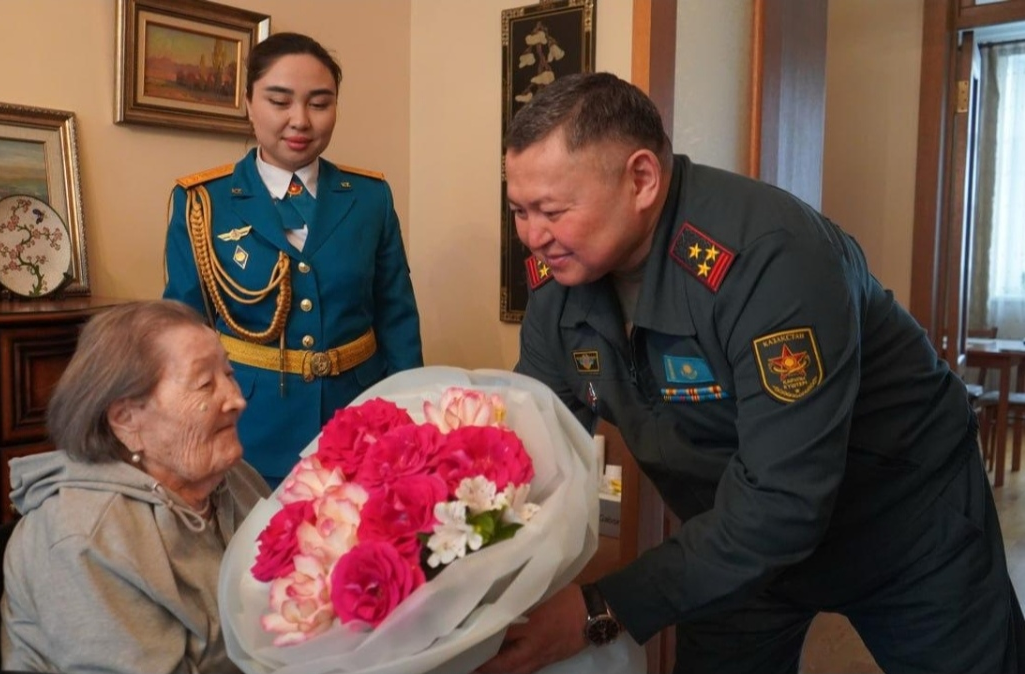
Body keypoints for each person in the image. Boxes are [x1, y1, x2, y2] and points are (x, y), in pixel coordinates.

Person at [481, 72, 1025, 674]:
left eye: (552, 211)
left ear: (641, 179)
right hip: (732, 540)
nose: (533, 236)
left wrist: (603, 605)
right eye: (519, 211)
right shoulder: (560, 284)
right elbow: (533, 444)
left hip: (900, 519)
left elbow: (785, 500)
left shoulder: (771, 258)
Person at [163, 32, 423, 489]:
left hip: (360, 423)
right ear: (249, 103)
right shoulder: (203, 202)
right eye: (279, 101)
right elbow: (183, 332)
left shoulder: (369, 197)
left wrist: (408, 419)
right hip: (249, 427)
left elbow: (397, 319)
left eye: (319, 103)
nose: (300, 120)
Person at [0, 300, 270, 673]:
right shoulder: (86, 537)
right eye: (205, 384)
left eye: (229, 373)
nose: (236, 400)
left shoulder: (235, 478)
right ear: (126, 419)